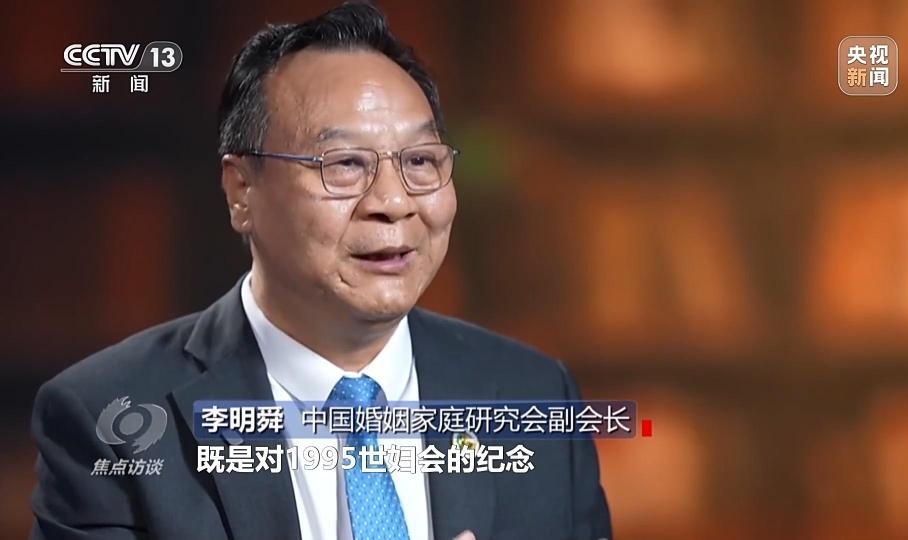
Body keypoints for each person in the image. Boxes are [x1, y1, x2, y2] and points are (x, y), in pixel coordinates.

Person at [30, 3, 612, 539]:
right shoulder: (105, 416)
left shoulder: (537, 396)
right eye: (345, 164)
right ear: (242, 190)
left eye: (419, 160)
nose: (394, 201)